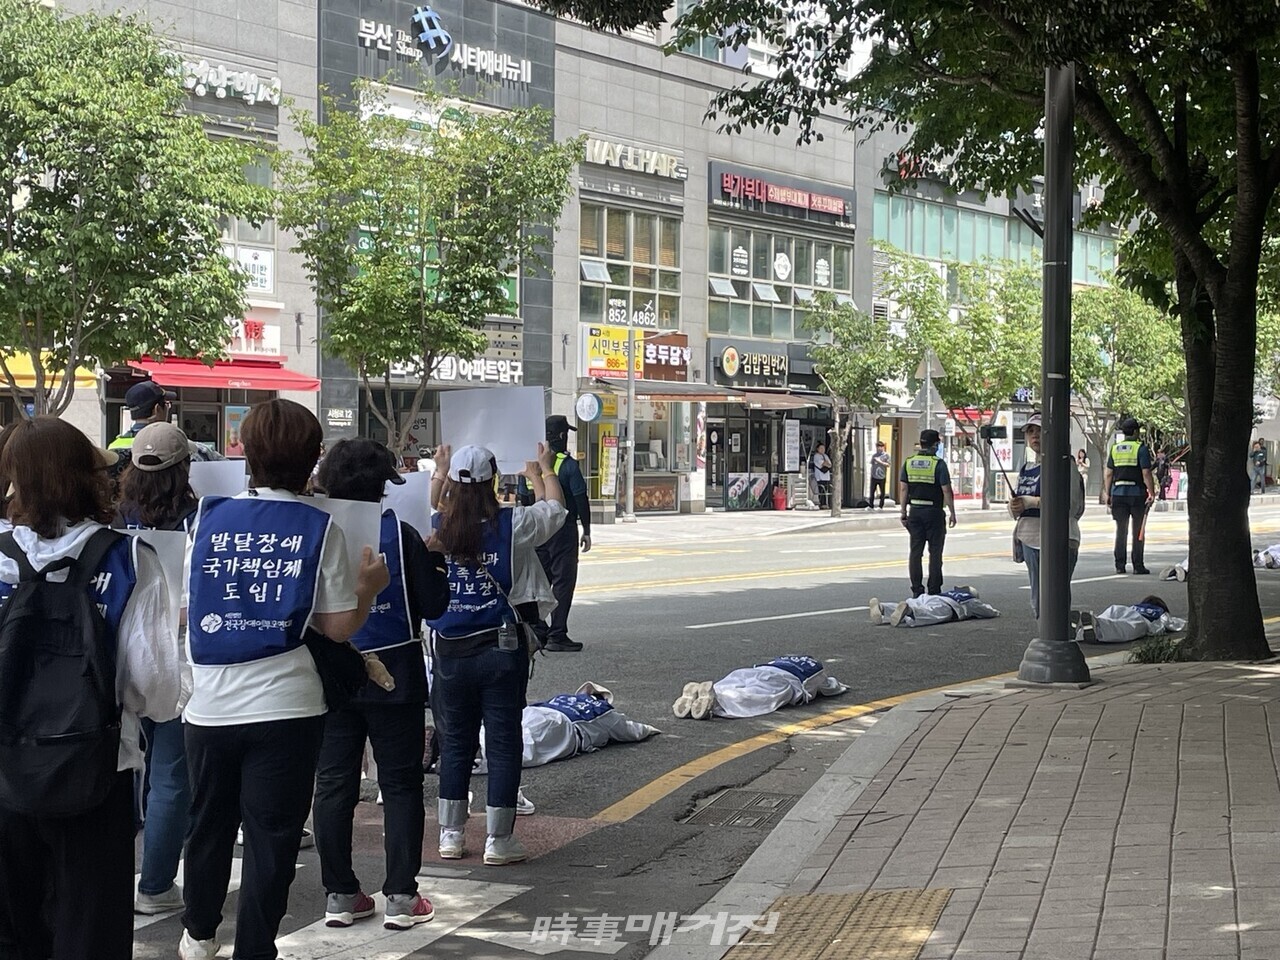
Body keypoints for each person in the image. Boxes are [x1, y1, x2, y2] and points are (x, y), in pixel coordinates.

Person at [179, 399, 390, 960]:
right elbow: (338, 626)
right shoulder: (319, 526)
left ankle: (198, 934)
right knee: (272, 838)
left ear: (246, 452)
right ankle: (254, 948)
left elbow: (187, 605)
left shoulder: (206, 517)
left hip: (210, 706)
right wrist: (369, 586)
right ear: (311, 459)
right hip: (286, 707)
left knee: (208, 826)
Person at [0, 418, 182, 960]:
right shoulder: (128, 560)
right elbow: (156, 693)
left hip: (5, 774)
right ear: (86, 477)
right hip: (95, 773)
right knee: (90, 933)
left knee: (12, 932)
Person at [311, 439, 450, 931]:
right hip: (398, 675)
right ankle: (401, 895)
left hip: (333, 673)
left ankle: (340, 894)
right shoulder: (402, 534)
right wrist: (435, 560)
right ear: (382, 488)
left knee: (333, 784)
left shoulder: (317, 531)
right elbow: (433, 606)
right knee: (400, 784)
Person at [427, 442, 565, 865]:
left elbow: (432, 499)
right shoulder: (514, 524)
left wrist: (440, 469)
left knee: (455, 744)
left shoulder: (435, 526)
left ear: (454, 483)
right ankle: (498, 840)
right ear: (493, 481)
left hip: (450, 651)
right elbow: (555, 512)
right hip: (502, 651)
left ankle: (451, 836)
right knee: (502, 744)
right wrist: (540, 471)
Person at [111, 422, 199, 917]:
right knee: (169, 775)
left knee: (122, 765)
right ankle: (156, 883)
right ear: (184, 466)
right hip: (175, 661)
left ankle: (110, 874)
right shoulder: (199, 519)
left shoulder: (112, 521)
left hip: (118, 656)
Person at [1009, 413, 1086, 619]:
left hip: (1058, 538)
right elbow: (1018, 505)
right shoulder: (1027, 468)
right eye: (1030, 431)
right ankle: (1045, 638)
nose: (1034, 436)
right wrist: (1016, 507)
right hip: (1029, 538)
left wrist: (1031, 501)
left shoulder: (1064, 464)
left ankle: (1058, 641)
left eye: (1039, 430)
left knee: (1054, 598)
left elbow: (1068, 505)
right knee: (1038, 599)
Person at [534, 415, 591, 653]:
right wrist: (586, 529)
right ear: (561, 436)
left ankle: (537, 630)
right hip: (562, 529)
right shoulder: (567, 465)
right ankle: (557, 633)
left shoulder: (533, 463)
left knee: (538, 581)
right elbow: (580, 498)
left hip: (536, 527)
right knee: (563, 582)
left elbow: (523, 496)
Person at [672, 656, 848, 720]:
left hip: (757, 670)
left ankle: (705, 694)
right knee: (754, 697)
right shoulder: (817, 669)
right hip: (783, 681)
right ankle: (716, 703)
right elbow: (830, 687)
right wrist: (842, 686)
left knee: (732, 682)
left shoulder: (782, 659)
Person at [898, 429, 957, 597]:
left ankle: (917, 590)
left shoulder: (909, 462)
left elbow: (903, 489)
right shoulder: (938, 464)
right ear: (935, 445)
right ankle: (934, 589)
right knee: (935, 552)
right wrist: (952, 512)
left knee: (916, 552)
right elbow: (946, 490)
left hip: (915, 511)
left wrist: (903, 512)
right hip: (934, 512)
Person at [109, 379, 225, 461]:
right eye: (166, 404)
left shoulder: (113, 448)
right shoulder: (182, 446)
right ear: (157, 409)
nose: (168, 409)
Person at [1104, 418, 1155, 574]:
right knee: (1138, 530)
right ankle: (1138, 566)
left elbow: (1108, 473)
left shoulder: (1115, 448)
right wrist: (1151, 492)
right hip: (1137, 494)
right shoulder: (1141, 448)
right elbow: (1146, 473)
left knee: (1121, 530)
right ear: (1135, 432)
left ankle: (1120, 565)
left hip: (1118, 494)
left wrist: (1108, 493)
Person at [867, 587, 999, 628]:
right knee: (930, 614)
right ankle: (910, 612)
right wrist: (995, 612)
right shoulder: (970, 599)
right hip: (947, 606)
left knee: (914, 603)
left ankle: (883, 608)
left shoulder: (950, 592)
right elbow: (986, 611)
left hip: (930, 597)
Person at [1094, 595, 1186, 643]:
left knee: (1108, 615)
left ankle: (1094, 622)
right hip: (1141, 620)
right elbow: (1171, 623)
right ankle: (1099, 629)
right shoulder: (1160, 611)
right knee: (1123, 628)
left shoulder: (1135, 607)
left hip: (1121, 609)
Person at [809, 442, 832, 509]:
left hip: (826, 476)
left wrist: (826, 463)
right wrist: (826, 463)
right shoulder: (816, 456)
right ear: (817, 449)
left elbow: (830, 464)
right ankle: (822, 503)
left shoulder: (825, 456)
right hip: (820, 476)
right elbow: (822, 464)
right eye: (821, 448)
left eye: (823, 448)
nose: (822, 450)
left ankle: (826, 503)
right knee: (821, 489)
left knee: (826, 490)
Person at [870, 440, 891, 509]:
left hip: (882, 476)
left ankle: (881, 505)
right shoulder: (874, 455)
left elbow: (888, 465)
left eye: (881, 447)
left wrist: (880, 461)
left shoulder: (886, 455)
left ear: (883, 447)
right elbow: (872, 464)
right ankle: (871, 505)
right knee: (872, 491)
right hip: (874, 476)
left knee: (882, 492)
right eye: (878, 447)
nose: (879, 448)